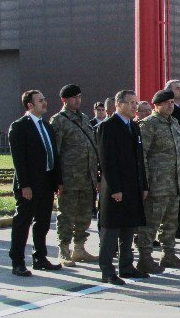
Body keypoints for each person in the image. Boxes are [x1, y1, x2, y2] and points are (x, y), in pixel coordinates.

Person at [96, 90, 149, 285]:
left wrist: (143, 185)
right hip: (116, 188)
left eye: (136, 102)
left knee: (129, 227)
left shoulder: (134, 127)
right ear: (119, 104)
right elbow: (107, 160)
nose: (135, 106)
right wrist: (115, 188)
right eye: (131, 103)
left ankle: (126, 266)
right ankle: (107, 270)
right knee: (111, 229)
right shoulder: (108, 126)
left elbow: (139, 159)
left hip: (133, 186)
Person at [8, 90, 64, 277]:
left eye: (45, 99)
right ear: (30, 105)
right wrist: (25, 185)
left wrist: (58, 181)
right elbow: (19, 159)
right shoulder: (19, 127)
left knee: (43, 223)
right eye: (40, 100)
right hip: (29, 185)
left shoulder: (46, 126)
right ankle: (17, 262)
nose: (45, 102)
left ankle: (40, 258)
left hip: (46, 183)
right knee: (22, 223)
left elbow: (53, 156)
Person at [136, 90, 180, 274]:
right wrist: (146, 183)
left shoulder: (173, 122)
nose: (170, 106)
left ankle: (168, 254)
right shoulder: (149, 124)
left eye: (172, 102)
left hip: (174, 182)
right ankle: (145, 257)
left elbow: (179, 153)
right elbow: (142, 155)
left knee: (171, 222)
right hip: (157, 183)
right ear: (156, 105)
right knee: (151, 222)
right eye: (166, 103)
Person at [49, 84, 100, 267]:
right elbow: (55, 152)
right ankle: (64, 250)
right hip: (69, 178)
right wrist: (57, 180)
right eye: (74, 97)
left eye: (79, 97)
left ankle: (79, 248)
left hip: (87, 176)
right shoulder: (59, 120)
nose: (78, 100)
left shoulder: (85, 118)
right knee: (66, 216)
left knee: (84, 215)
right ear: (64, 100)